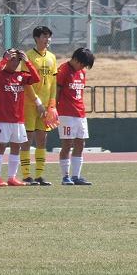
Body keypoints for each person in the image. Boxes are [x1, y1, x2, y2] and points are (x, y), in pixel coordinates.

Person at [0, 48, 41, 187]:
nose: (15, 63)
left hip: (18, 120)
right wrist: (4, 59)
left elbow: (36, 78)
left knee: (16, 148)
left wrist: (27, 62)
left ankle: (12, 177)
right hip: (4, 120)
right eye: (12, 59)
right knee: (0, 147)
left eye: (18, 60)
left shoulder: (21, 76)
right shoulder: (0, 75)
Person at [21, 26, 58, 185]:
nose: (47, 39)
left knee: (42, 139)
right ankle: (26, 175)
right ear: (36, 38)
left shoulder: (52, 57)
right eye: (44, 36)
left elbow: (53, 82)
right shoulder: (28, 56)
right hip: (30, 104)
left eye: (49, 36)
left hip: (46, 106)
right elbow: (26, 82)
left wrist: (52, 104)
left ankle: (39, 175)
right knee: (27, 139)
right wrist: (37, 102)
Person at [57, 47, 95, 186]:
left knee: (80, 143)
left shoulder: (82, 72)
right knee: (67, 144)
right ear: (76, 59)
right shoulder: (63, 70)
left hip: (80, 113)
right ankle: (65, 176)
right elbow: (57, 91)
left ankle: (76, 176)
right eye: (83, 64)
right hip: (66, 113)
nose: (83, 68)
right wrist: (53, 109)